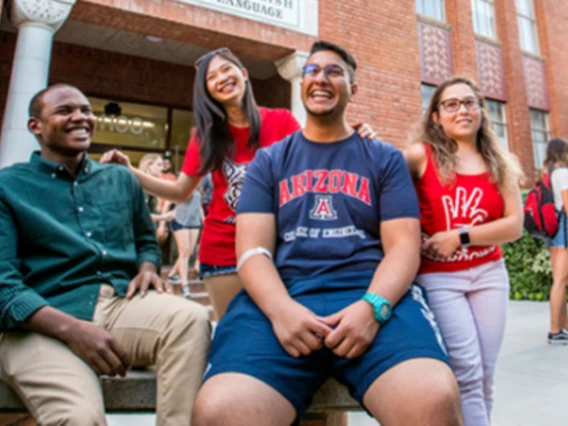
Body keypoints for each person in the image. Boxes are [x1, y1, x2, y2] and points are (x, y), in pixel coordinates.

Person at [191, 41, 463, 426]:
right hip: (284, 297)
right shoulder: (269, 161)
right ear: (301, 85)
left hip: (368, 292)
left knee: (434, 400)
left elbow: (403, 247)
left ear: (353, 87)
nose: (320, 78)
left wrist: (373, 308)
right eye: (312, 71)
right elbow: (251, 251)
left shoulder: (384, 159)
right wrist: (281, 311)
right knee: (219, 410)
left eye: (334, 71)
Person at [100, 47, 376, 319]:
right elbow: (179, 191)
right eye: (211, 77)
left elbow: (318, 162)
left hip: (281, 249)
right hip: (223, 252)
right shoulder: (205, 136)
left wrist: (352, 136)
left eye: (226, 69)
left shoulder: (280, 121)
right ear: (207, 90)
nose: (221, 78)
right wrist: (130, 171)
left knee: (285, 334)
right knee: (236, 332)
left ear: (243, 74)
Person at [0, 84, 211, 425]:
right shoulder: (7, 186)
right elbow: (3, 286)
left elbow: (145, 238)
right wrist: (74, 330)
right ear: (35, 126)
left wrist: (147, 266)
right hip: (40, 323)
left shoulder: (120, 178)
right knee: (79, 418)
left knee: (190, 319)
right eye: (65, 111)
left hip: (118, 305)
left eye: (85, 109)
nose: (80, 117)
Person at [404, 76, 523, 426]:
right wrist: (361, 136)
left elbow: (514, 225)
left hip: (489, 274)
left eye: (470, 102)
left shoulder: (499, 160)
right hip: (440, 278)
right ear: (436, 116)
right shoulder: (420, 156)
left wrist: (460, 236)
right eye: (451, 104)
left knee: (484, 373)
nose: (462, 110)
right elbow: (379, 170)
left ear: (481, 111)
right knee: (467, 371)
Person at [155, 189, 205, 298]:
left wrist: (203, 219)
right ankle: (185, 286)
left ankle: (172, 275)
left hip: (194, 221)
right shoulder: (182, 185)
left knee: (189, 252)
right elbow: (167, 204)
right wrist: (162, 225)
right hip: (180, 220)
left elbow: (199, 206)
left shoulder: (199, 189)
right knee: (184, 252)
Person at [542, 138, 568, 344]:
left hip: (554, 230)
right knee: (560, 281)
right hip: (564, 229)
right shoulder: (564, 173)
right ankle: (554, 330)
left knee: (560, 280)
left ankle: (563, 327)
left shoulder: (550, 174)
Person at [139, 153, 171, 246]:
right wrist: (164, 217)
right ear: (149, 165)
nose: (162, 168)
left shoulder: (149, 186)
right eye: (159, 165)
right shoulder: (144, 187)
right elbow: (142, 215)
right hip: (142, 233)